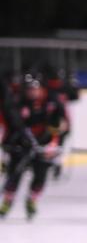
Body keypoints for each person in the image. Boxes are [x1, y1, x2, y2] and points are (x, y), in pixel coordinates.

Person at [0, 74, 68, 220]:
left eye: (35, 89)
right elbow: (13, 125)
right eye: (29, 89)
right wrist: (10, 145)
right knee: (14, 175)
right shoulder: (18, 102)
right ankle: (7, 201)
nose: (32, 92)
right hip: (21, 146)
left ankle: (32, 200)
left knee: (40, 177)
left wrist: (55, 144)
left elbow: (62, 126)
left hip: (43, 146)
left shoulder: (52, 102)